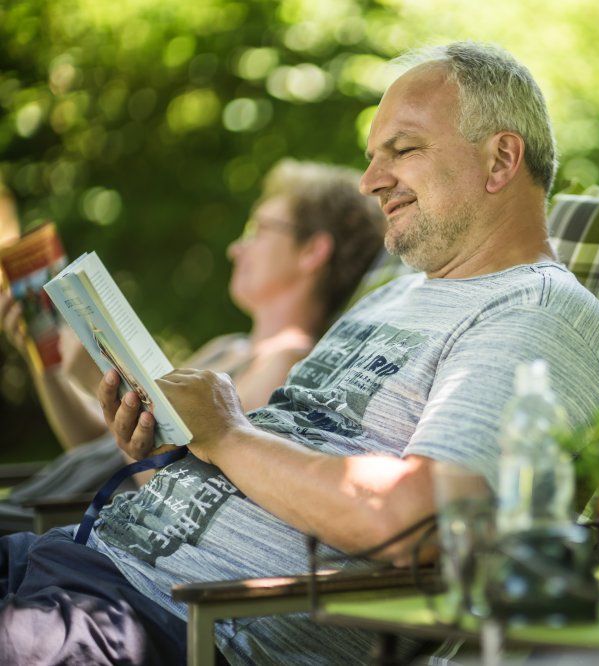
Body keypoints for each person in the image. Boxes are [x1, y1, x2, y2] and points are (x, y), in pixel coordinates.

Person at [0, 42, 599, 665]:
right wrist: (178, 442)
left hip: (163, 624)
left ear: (501, 159)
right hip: (77, 557)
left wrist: (224, 433)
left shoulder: (535, 313)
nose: (371, 181)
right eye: (372, 157)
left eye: (403, 149)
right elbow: (286, 463)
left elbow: (423, 518)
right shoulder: (390, 298)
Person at [0, 159, 386, 532]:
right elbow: (95, 448)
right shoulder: (227, 350)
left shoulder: (287, 361)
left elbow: (175, 486)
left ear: (312, 251)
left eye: (259, 229)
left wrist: (106, 372)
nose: (237, 248)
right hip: (42, 505)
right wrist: (47, 365)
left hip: (73, 525)